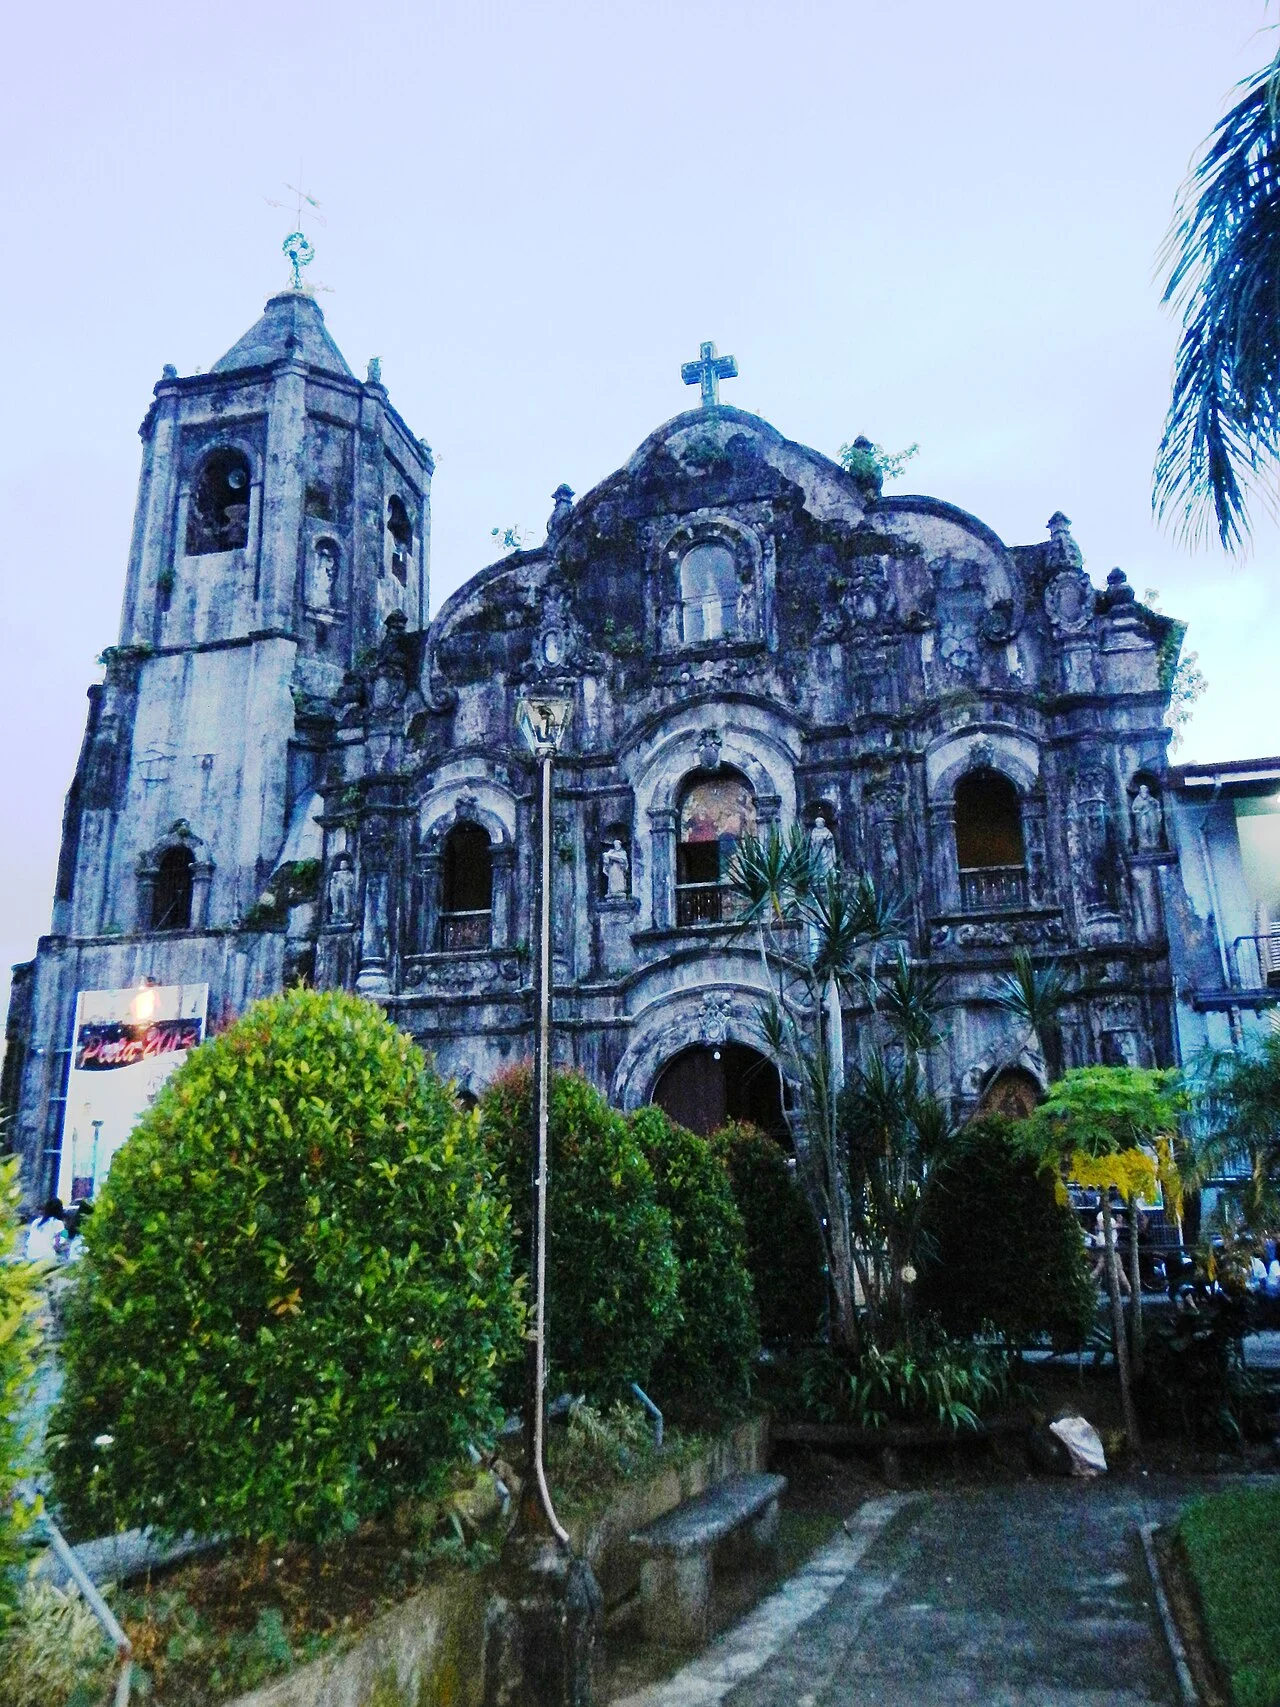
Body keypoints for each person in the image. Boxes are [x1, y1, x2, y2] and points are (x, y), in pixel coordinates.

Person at [25, 1197, 64, 1264]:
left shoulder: (36, 1222)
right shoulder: (58, 1223)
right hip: (46, 1257)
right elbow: (57, 1245)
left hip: (30, 1255)